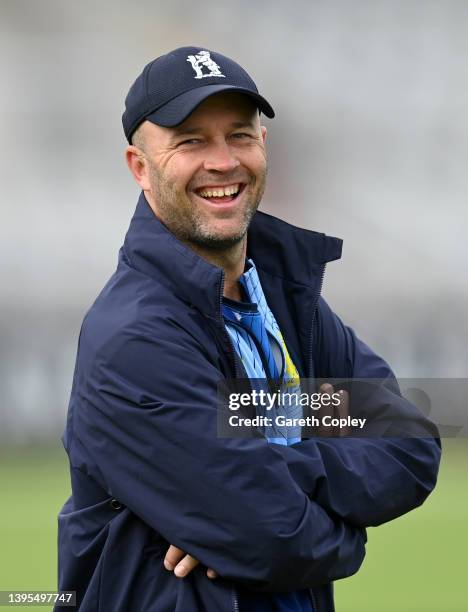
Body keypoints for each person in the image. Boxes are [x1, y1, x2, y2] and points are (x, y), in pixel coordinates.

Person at [56, 46, 441, 612]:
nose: (223, 161)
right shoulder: (134, 338)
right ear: (140, 167)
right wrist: (346, 536)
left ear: (263, 145)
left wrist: (274, 462)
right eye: (191, 141)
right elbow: (276, 536)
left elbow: (409, 443)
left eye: (239, 135)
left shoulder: (283, 296)